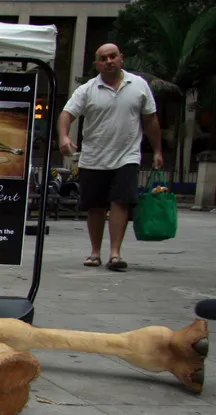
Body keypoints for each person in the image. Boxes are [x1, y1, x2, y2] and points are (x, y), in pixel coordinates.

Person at [57, 43, 163, 272]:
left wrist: (157, 151)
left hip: (127, 156)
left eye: (113, 56)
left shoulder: (139, 86)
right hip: (94, 157)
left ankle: (115, 253)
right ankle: (95, 252)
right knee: (95, 207)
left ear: (121, 58)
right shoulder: (87, 90)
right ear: (97, 64)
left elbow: (151, 120)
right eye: (103, 58)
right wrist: (64, 137)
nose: (109, 61)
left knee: (120, 202)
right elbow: (66, 114)